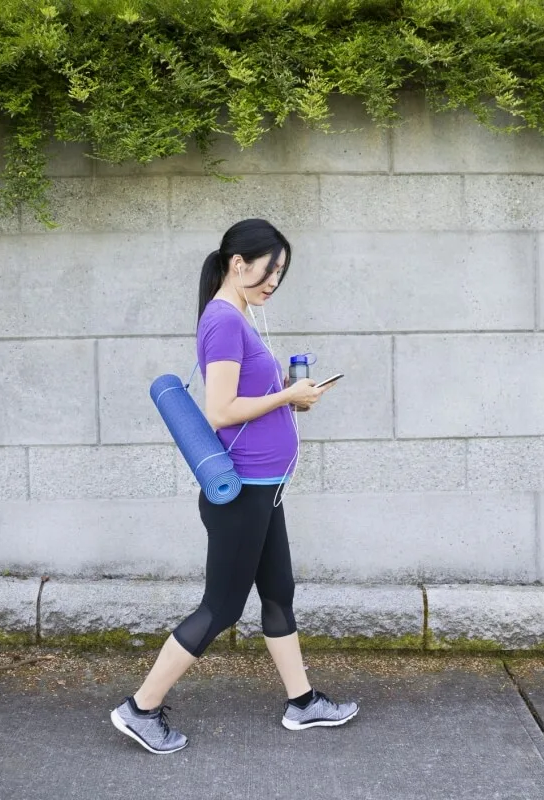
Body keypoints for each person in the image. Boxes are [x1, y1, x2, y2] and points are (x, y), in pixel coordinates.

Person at [110, 218, 360, 755]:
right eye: (269, 269)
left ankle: (303, 702)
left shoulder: (240, 317)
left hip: (264, 488)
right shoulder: (223, 321)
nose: (274, 280)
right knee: (221, 608)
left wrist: (289, 394)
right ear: (237, 263)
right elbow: (220, 411)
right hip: (241, 491)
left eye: (281, 273)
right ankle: (140, 708)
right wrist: (288, 397)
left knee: (278, 593)